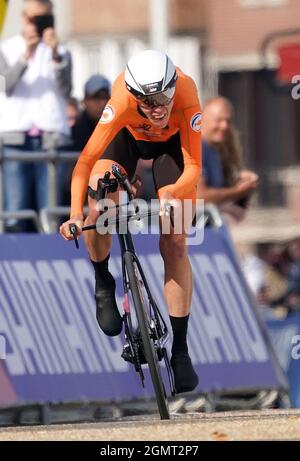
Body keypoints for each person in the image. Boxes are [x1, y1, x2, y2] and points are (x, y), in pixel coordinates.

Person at [60, 49, 202, 394]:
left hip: (172, 148)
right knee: (100, 199)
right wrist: (75, 214)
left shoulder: (185, 92)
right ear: (135, 96)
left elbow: (194, 166)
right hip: (128, 141)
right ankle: (102, 280)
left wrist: (172, 193)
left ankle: (180, 350)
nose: (160, 106)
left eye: (164, 95)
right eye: (150, 100)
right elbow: (85, 161)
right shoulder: (121, 98)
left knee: (177, 238)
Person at [0, 0, 72, 232]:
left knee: (51, 213)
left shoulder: (60, 51)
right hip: (15, 139)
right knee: (15, 212)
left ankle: (52, 255)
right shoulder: (7, 48)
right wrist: (26, 56)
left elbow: (66, 89)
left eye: (45, 19)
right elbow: (5, 85)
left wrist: (54, 54)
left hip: (50, 139)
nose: (39, 25)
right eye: (34, 19)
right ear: (23, 18)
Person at [197, 97, 259, 220]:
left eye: (228, 121)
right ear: (202, 120)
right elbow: (200, 197)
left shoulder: (215, 151)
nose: (224, 126)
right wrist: (238, 191)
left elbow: (237, 213)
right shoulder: (196, 148)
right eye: (218, 120)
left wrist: (241, 182)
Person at [72, 74, 111, 152]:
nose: (103, 103)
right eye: (96, 97)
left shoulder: (119, 129)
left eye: (105, 97)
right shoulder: (76, 131)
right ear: (85, 101)